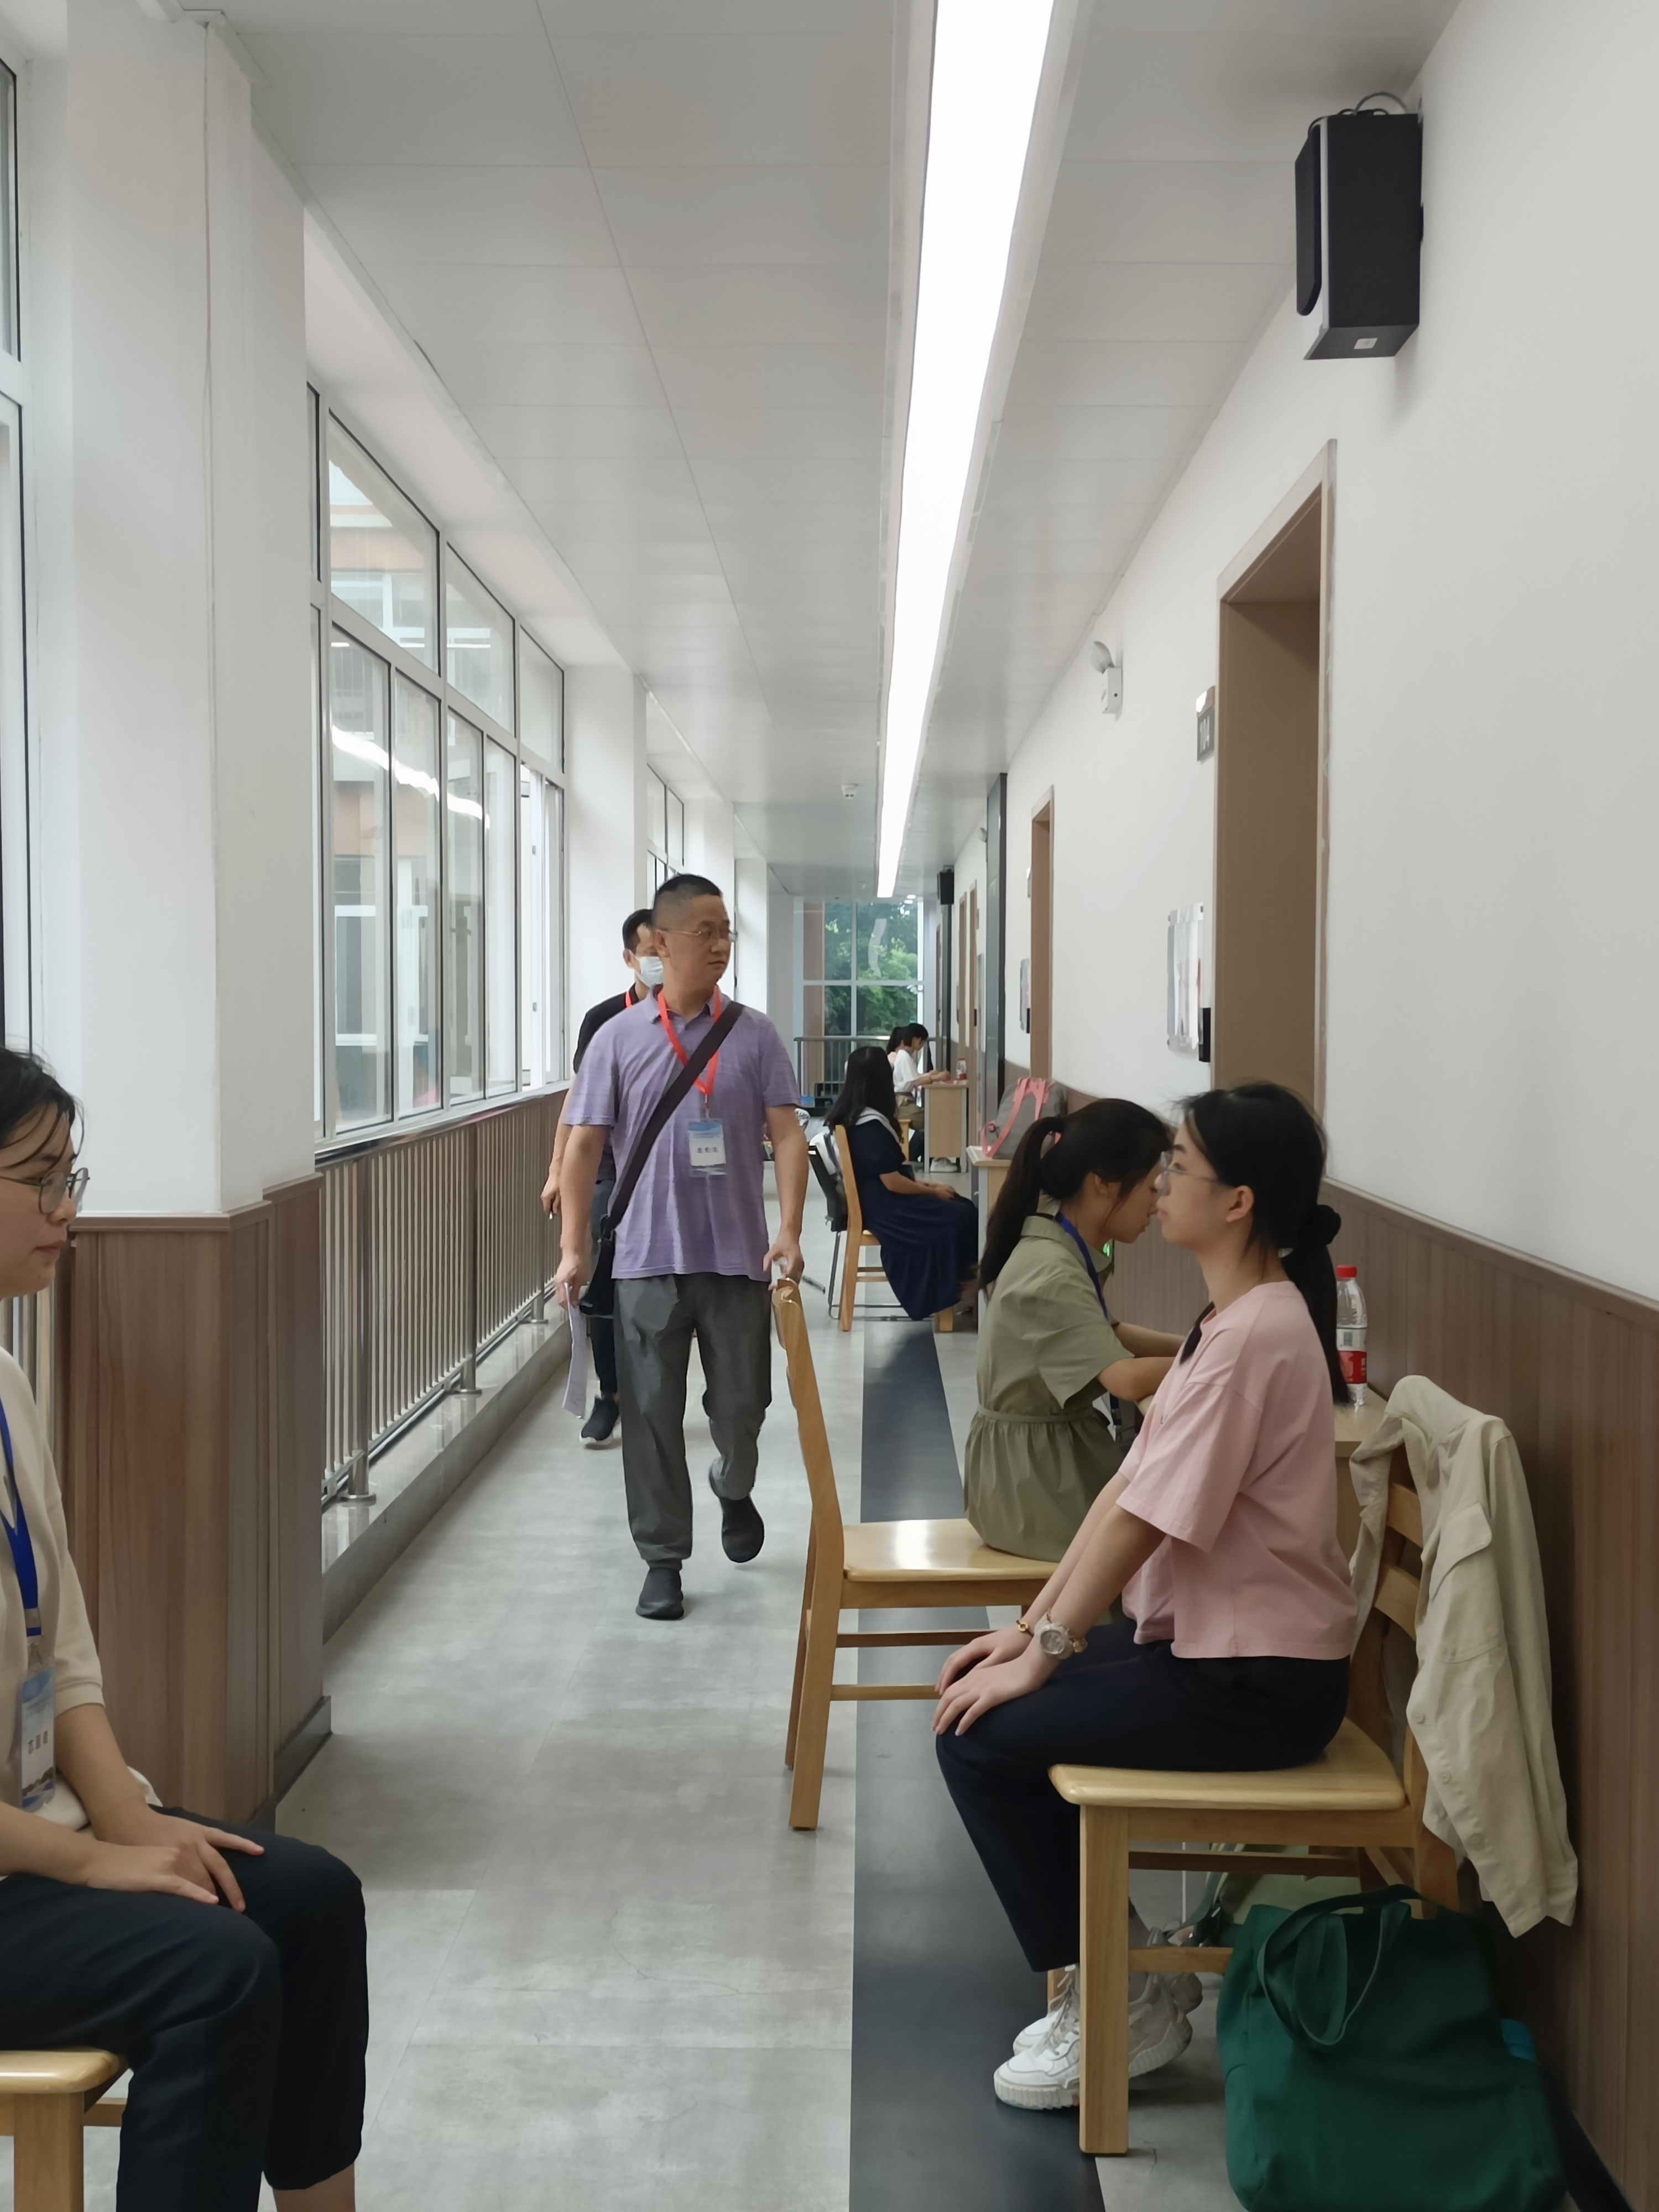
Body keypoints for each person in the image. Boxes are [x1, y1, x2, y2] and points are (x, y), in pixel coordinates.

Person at [931, 1082, 1355, 2111]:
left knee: (982, 1740)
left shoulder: (1252, 1337)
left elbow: (1145, 1520)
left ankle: (1119, 2003)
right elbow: (1123, 1490)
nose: (1162, 1185)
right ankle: (1124, 1981)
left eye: (1181, 1169)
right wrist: (1031, 1633)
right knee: (983, 1706)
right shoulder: (1232, 1321)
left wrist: (1047, 1650)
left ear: (1239, 1202)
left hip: (1258, 1684)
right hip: (1219, 1657)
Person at [0, 1050, 367, 2210]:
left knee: (309, 1900)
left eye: (70, 1177)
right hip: (22, 1868)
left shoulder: (6, 1382)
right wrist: (97, 1862)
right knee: (216, 1972)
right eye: (37, 1180)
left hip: (37, 1834)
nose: (66, 1210)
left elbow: (63, 1656)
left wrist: (130, 1819)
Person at [553, 873, 808, 1622]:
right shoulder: (616, 1038)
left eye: (726, 931)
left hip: (737, 1260)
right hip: (645, 1261)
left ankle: (734, 1484)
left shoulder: (755, 1035)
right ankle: (662, 1559)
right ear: (660, 944)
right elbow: (582, 1148)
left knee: (744, 1406)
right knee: (652, 1419)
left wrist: (791, 1228)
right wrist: (573, 1249)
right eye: (706, 932)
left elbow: (788, 1135)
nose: (721, 944)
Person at [966, 1102, 1185, 1561]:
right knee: (1175, 1550)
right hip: (1031, 1484)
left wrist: (1191, 1345)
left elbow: (1105, 1334)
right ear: (1102, 1183)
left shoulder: (1060, 1244)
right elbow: (1124, 1379)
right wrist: (1220, 1358)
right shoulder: (1053, 1272)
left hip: (1034, 1464)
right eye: (1151, 1188)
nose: (1157, 1205)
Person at [542, 906, 659, 1446]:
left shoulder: (697, 1019)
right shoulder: (605, 1019)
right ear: (630, 958)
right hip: (613, 1171)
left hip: (671, 1176)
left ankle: (655, 1394)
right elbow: (578, 1104)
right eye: (651, 952)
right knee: (606, 1282)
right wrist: (556, 1169)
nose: (661, 961)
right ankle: (610, 1394)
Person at [825, 1046, 979, 1322]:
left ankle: (964, 1290)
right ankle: (959, 1293)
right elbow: (893, 1182)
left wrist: (930, 1186)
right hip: (887, 1209)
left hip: (878, 1200)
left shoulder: (853, 1117)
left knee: (962, 1206)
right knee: (961, 1214)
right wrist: (932, 1191)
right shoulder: (869, 1126)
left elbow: (889, 1173)